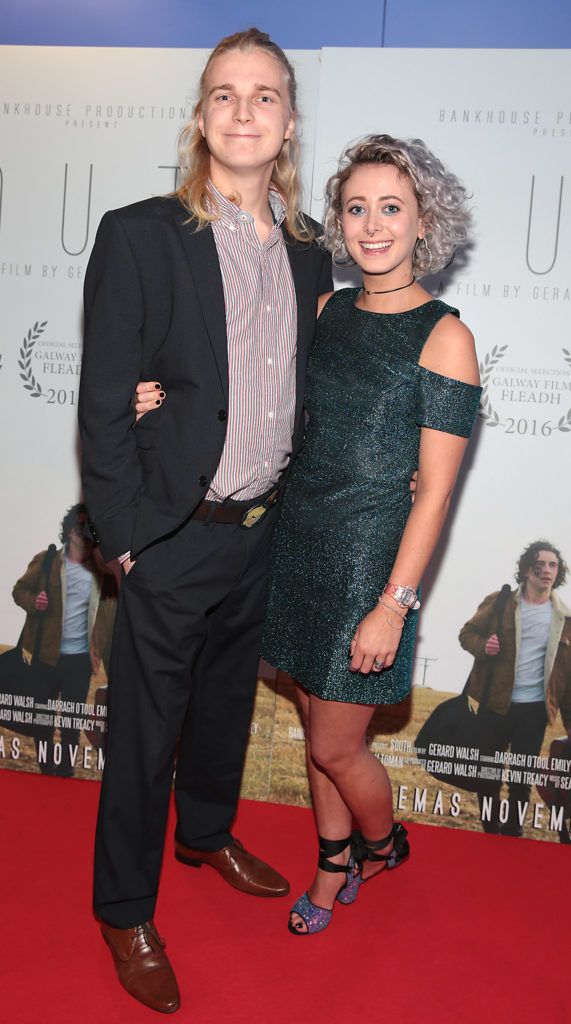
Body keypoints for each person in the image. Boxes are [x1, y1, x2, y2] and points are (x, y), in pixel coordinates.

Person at [78, 29, 332, 1014]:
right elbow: (105, 405)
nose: (242, 112)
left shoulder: (311, 253)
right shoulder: (141, 234)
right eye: (224, 95)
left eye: (262, 96)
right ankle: (124, 907)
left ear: (288, 121)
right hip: (172, 533)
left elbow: (288, 389)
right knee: (146, 730)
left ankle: (208, 832)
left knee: (225, 702)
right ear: (199, 115)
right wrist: (129, 536)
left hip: (262, 529)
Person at [259, 134, 482, 935]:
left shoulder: (445, 338)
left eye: (391, 207)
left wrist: (393, 604)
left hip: (369, 564)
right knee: (317, 726)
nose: (372, 224)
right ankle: (332, 859)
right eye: (356, 208)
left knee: (335, 744)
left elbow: (435, 496)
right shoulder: (325, 311)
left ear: (424, 221)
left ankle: (380, 844)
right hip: (299, 546)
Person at [459, 541, 571, 836]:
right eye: (540, 564)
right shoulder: (500, 602)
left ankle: (513, 834)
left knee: (522, 778)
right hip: (494, 705)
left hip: (534, 711)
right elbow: (466, 633)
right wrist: (484, 647)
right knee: (488, 775)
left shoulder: (565, 619)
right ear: (526, 569)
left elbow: (566, 677)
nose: (547, 570)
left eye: (553, 565)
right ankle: (491, 831)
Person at [12, 503, 116, 776]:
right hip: (45, 656)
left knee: (73, 720)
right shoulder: (47, 562)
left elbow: (107, 622)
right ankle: (47, 769)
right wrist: (35, 601)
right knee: (42, 718)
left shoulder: (103, 575)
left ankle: (66, 769)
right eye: (79, 528)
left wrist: (106, 662)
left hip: (80, 661)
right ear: (68, 531)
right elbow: (19, 590)